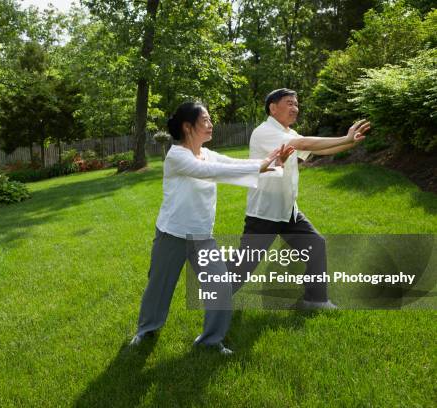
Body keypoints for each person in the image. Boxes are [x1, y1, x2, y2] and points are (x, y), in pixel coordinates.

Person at [129, 101, 294, 355]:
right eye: (204, 120)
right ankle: (146, 329)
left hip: (201, 236)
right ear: (187, 127)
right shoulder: (176, 156)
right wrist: (261, 165)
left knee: (221, 286)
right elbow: (211, 172)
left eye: (209, 119)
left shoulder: (207, 153)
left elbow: (232, 165)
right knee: (159, 287)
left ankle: (210, 340)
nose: (210, 124)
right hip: (172, 234)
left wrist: (272, 164)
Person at [232, 88, 371, 309]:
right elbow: (304, 144)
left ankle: (315, 300)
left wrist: (350, 142)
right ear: (273, 107)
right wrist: (345, 137)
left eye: (296, 103)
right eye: (289, 103)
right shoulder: (265, 131)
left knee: (316, 245)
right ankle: (216, 296)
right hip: (265, 212)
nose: (295, 108)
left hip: (288, 210)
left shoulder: (290, 133)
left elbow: (316, 150)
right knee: (244, 265)